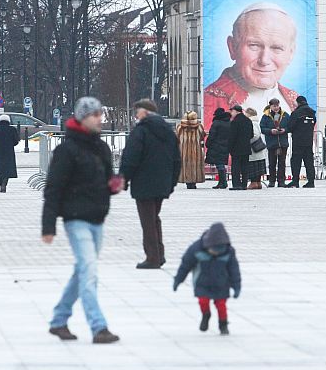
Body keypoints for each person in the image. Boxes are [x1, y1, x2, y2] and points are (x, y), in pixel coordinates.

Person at [43, 96, 122, 344]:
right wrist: (48, 226)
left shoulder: (101, 149)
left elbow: (106, 181)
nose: (100, 119)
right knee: (89, 271)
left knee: (82, 271)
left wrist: (114, 185)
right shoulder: (66, 151)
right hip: (75, 219)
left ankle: (59, 319)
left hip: (97, 218)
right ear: (82, 117)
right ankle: (98, 327)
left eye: (100, 114)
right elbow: (53, 189)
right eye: (94, 115)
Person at [203, 3, 299, 127]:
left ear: (291, 54)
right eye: (254, 45)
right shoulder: (209, 102)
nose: (264, 60)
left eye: (277, 48)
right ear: (232, 47)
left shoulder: (295, 102)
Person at [120, 99, 181, 269]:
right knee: (154, 218)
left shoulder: (141, 131)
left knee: (148, 220)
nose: (136, 116)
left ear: (145, 112)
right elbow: (177, 159)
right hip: (162, 182)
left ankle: (153, 257)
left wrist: (124, 179)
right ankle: (158, 254)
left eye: (137, 112)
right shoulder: (168, 132)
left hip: (143, 182)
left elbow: (131, 157)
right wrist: (172, 182)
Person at [173, 222, 241, 335]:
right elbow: (185, 266)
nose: (216, 252)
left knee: (221, 305)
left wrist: (236, 286)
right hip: (202, 282)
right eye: (214, 250)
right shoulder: (196, 249)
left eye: (219, 251)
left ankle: (223, 324)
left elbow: (234, 270)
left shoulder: (229, 252)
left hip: (222, 284)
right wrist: (178, 280)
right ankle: (206, 315)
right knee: (203, 301)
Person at [286, 95, 317, 188]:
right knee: (309, 162)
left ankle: (295, 181)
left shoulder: (296, 113)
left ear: (298, 103)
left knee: (296, 161)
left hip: (298, 141)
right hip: (308, 141)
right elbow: (313, 123)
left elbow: (290, 126)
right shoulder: (312, 113)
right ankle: (311, 182)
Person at [260, 98, 290, 187]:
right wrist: (270, 131)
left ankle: (281, 181)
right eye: (274, 106)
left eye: (277, 105)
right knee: (272, 163)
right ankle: (272, 181)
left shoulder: (285, 115)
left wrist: (285, 130)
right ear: (270, 106)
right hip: (272, 143)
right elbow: (262, 128)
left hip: (282, 142)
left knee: (282, 163)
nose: (276, 108)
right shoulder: (265, 116)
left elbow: (290, 126)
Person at [0, 115, 20, 193]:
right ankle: (4, 184)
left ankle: (1, 185)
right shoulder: (12, 129)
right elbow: (16, 141)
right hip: (9, 151)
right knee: (8, 169)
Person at [176, 111, 206, 189]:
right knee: (194, 165)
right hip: (196, 150)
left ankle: (187, 180)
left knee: (185, 165)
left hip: (183, 150)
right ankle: (193, 182)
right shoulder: (199, 127)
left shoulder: (180, 127)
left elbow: (177, 138)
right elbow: (202, 136)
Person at [227, 105, 253, 191]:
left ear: (237, 111)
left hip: (236, 148)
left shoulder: (235, 122)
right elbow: (251, 135)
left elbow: (232, 137)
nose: (231, 113)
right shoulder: (248, 121)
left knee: (236, 167)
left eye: (232, 111)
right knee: (245, 167)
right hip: (246, 147)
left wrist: (229, 148)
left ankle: (236, 184)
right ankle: (244, 184)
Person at [205, 107, 231, 189]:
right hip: (226, 146)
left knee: (219, 165)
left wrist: (207, 143)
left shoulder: (216, 123)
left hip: (216, 146)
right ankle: (223, 182)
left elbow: (212, 135)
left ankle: (222, 182)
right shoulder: (229, 123)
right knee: (221, 164)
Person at [244, 108, 267, 190]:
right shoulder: (256, 122)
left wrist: (247, 141)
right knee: (258, 166)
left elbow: (255, 135)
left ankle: (254, 183)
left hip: (253, 149)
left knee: (253, 166)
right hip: (258, 149)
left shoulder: (251, 123)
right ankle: (258, 182)